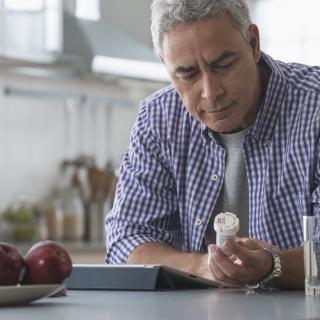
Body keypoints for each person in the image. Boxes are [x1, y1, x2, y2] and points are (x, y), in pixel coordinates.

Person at [106, 0, 320, 290]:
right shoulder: (158, 119)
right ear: (165, 65)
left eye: (223, 65)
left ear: (253, 43)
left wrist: (273, 265)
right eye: (188, 74)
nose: (210, 92)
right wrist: (202, 267)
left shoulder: (315, 106)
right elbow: (126, 241)